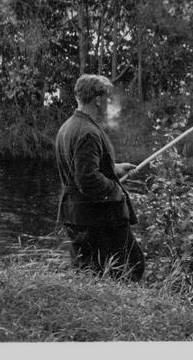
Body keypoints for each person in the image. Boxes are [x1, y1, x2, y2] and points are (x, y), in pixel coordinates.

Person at [54, 74, 145, 281]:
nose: (108, 103)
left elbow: (78, 169)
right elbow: (88, 180)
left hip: (74, 213)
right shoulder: (88, 132)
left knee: (89, 272)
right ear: (97, 99)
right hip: (95, 217)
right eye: (106, 98)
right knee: (132, 265)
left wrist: (114, 168)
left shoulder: (68, 127)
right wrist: (115, 189)